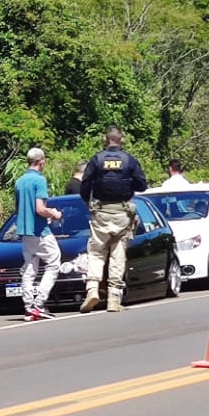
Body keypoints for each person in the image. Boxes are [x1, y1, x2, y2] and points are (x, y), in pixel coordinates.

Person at [78, 127, 148, 313]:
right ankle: (113, 299)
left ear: (105, 139)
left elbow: (85, 184)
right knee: (118, 254)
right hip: (122, 213)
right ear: (121, 140)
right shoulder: (129, 160)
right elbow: (142, 184)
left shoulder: (97, 159)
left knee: (96, 252)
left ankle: (92, 289)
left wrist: (88, 201)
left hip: (101, 212)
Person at [14, 147, 63, 321]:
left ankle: (28, 306)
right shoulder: (39, 180)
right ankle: (39, 303)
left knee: (29, 268)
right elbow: (40, 209)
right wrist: (54, 214)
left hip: (25, 232)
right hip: (39, 230)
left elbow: (18, 209)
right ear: (41, 162)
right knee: (54, 262)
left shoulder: (19, 181)